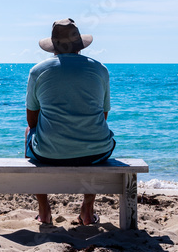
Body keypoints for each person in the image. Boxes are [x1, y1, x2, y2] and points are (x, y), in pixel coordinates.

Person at [25, 18, 115, 226]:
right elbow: (103, 116)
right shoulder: (100, 69)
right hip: (97, 153)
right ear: (80, 45)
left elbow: (32, 120)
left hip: (48, 154)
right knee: (95, 131)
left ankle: (44, 210)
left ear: (54, 47)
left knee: (28, 131)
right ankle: (87, 210)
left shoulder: (38, 71)